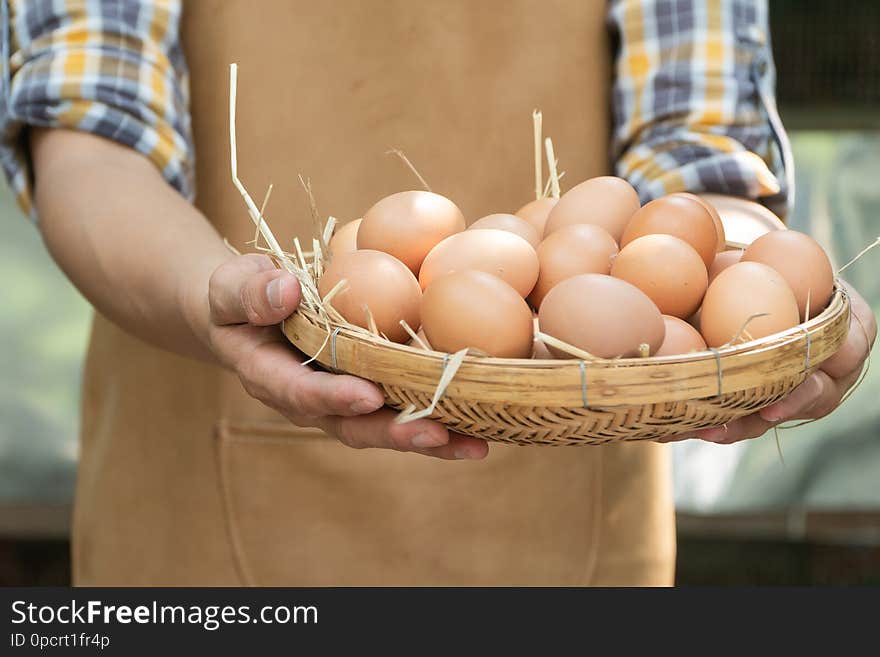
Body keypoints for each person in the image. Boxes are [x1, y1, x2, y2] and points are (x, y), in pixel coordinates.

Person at [1, 0, 874, 586]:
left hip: (568, 498)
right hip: (194, 507)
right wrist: (216, 293)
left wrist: (754, 279)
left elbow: (698, 153)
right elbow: (88, 138)